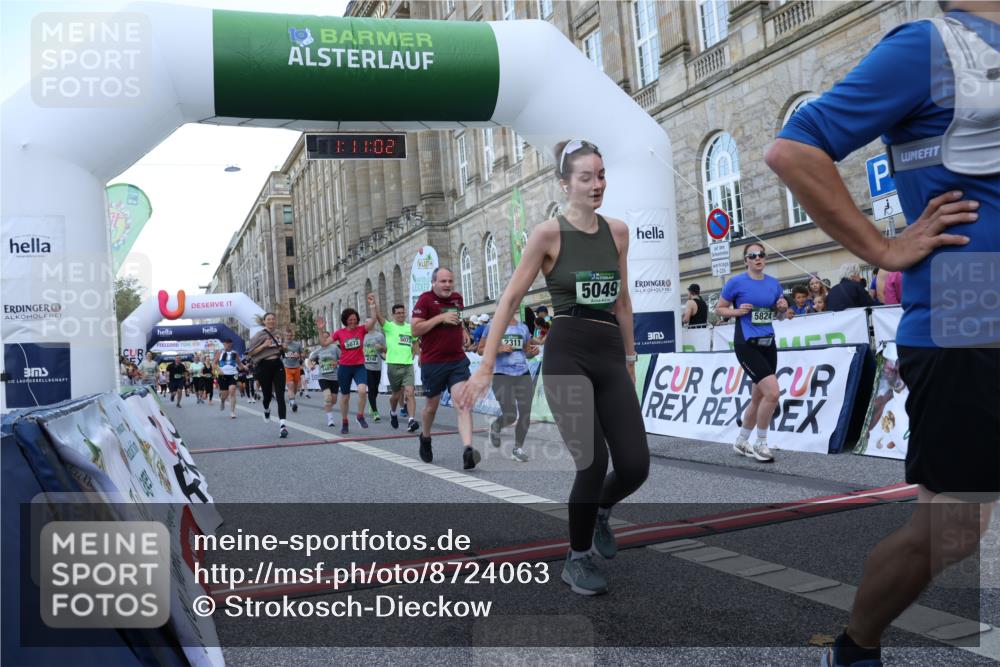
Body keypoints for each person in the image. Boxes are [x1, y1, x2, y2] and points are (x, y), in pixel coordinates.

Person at [766, 2, 997, 664]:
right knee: (950, 532)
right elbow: (792, 148)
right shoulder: (927, 45)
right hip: (969, 304)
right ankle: (854, 646)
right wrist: (884, 248)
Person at [457, 139, 649, 596]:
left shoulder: (618, 231)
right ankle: (576, 557)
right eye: (586, 177)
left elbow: (622, 301)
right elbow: (510, 299)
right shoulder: (547, 235)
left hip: (608, 352)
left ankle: (600, 510)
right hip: (566, 353)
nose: (597, 184)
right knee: (592, 459)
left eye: (601, 175)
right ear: (565, 183)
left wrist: (629, 357)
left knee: (636, 465)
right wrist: (485, 365)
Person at [715, 243, 784, 464]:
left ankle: (741, 439)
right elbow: (719, 308)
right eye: (752, 256)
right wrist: (737, 311)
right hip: (746, 343)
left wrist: (782, 309)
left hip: (768, 343)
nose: (757, 258)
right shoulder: (736, 282)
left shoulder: (774, 284)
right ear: (746, 260)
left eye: (761, 255)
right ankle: (760, 442)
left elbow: (779, 316)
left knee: (759, 396)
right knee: (772, 393)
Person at [411, 267, 479, 469]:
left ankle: (468, 449)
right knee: (431, 407)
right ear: (434, 283)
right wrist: (440, 318)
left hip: (457, 360)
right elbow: (415, 329)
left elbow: (456, 321)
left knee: (463, 404)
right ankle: (425, 436)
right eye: (443, 281)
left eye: (450, 281)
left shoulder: (457, 299)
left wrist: (464, 331)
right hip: (433, 362)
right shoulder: (425, 300)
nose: (448, 285)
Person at [477, 313, 538, 462]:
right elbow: (480, 349)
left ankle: (518, 448)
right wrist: (498, 349)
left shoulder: (522, 327)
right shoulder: (492, 326)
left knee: (525, 412)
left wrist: (532, 353)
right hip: (501, 374)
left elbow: (526, 351)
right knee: (510, 415)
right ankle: (497, 425)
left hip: (522, 374)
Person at [370, 299, 420, 432]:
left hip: (408, 365)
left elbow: (415, 342)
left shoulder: (409, 328)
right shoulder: (389, 326)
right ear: (393, 315)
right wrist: (374, 305)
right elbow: (379, 317)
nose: (401, 315)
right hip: (393, 366)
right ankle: (393, 412)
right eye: (398, 313)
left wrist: (416, 354)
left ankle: (411, 420)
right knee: (396, 395)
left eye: (403, 313)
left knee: (410, 393)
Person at [331, 306, 377, 434]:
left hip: (359, 366)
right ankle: (345, 421)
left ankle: (360, 416)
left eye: (355, 319)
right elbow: (324, 343)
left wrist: (372, 306)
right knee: (345, 397)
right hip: (345, 367)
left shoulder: (362, 329)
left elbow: (374, 320)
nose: (353, 322)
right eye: (350, 320)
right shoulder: (339, 333)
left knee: (362, 391)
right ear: (345, 320)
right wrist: (320, 330)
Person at [246, 312, 289, 438]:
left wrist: (284, 347)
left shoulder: (279, 334)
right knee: (267, 396)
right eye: (268, 319)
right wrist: (264, 346)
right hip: (264, 366)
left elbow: (283, 348)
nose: (271, 321)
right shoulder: (259, 335)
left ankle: (282, 426)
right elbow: (250, 353)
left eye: (273, 319)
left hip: (277, 364)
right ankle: (266, 409)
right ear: (264, 322)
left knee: (280, 395)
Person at [362, 294, 387, 422]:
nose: (365, 324)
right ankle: (375, 412)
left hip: (377, 365)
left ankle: (372, 405)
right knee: (371, 388)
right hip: (366, 366)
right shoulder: (363, 336)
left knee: (375, 389)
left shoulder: (379, 336)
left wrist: (381, 348)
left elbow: (386, 350)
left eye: (366, 322)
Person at [309, 330, 341, 427]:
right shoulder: (318, 350)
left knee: (334, 400)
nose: (325, 339)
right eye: (323, 337)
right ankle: (330, 419)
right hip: (323, 377)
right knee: (328, 398)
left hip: (335, 377)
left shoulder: (335, 348)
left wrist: (337, 362)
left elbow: (343, 358)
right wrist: (311, 366)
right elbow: (309, 360)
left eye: (327, 337)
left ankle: (327, 407)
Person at [214, 338, 243, 419]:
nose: (227, 345)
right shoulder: (220, 353)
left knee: (232, 390)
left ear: (231, 344)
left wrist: (245, 367)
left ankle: (232, 412)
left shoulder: (235, 353)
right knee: (224, 395)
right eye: (226, 343)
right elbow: (214, 364)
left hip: (232, 374)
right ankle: (222, 401)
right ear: (224, 344)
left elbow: (239, 364)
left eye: (229, 343)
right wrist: (219, 370)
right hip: (223, 375)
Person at [282, 326, 304, 413]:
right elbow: (278, 354)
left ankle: (292, 398)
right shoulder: (283, 345)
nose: (289, 337)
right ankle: (292, 402)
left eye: (290, 335)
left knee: (296, 388)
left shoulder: (297, 344)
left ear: (293, 336)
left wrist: (299, 355)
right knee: (290, 385)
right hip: (287, 367)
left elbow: (302, 354)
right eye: (287, 335)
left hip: (296, 367)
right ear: (285, 336)